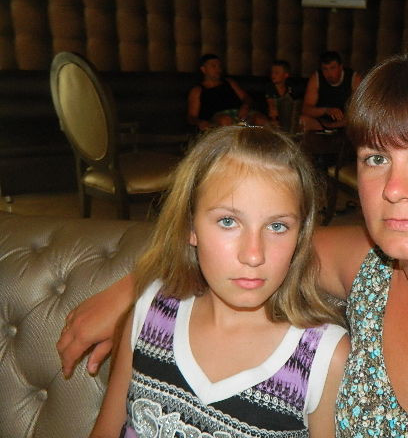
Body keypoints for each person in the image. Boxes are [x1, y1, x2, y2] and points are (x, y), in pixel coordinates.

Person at [59, 46, 408, 436]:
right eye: (376, 158)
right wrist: (131, 291)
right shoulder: (369, 265)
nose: (395, 190)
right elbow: (242, 244)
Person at [88, 125, 349, 437]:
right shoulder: (150, 310)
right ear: (190, 226)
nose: (253, 255)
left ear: (300, 236)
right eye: (228, 222)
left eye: (277, 226)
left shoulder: (324, 359)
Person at [187, 54, 266, 131]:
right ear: (203, 69)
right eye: (214, 66)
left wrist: (245, 106)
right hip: (217, 119)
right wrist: (200, 122)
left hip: (239, 115)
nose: (218, 69)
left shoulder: (229, 82)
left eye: (219, 66)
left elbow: (247, 98)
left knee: (260, 119)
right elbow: (191, 117)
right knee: (225, 120)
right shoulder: (198, 90)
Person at [299, 51, 361, 132]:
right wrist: (326, 110)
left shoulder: (354, 79)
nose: (329, 73)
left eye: (332, 68)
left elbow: (360, 111)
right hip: (323, 122)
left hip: (346, 122)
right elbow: (306, 109)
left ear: (340, 67)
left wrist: (334, 125)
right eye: (325, 69)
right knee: (303, 120)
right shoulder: (316, 78)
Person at [265, 59, 296, 132]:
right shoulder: (270, 87)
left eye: (276, 73)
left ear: (286, 75)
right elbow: (271, 106)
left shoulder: (290, 88)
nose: (273, 75)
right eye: (272, 72)